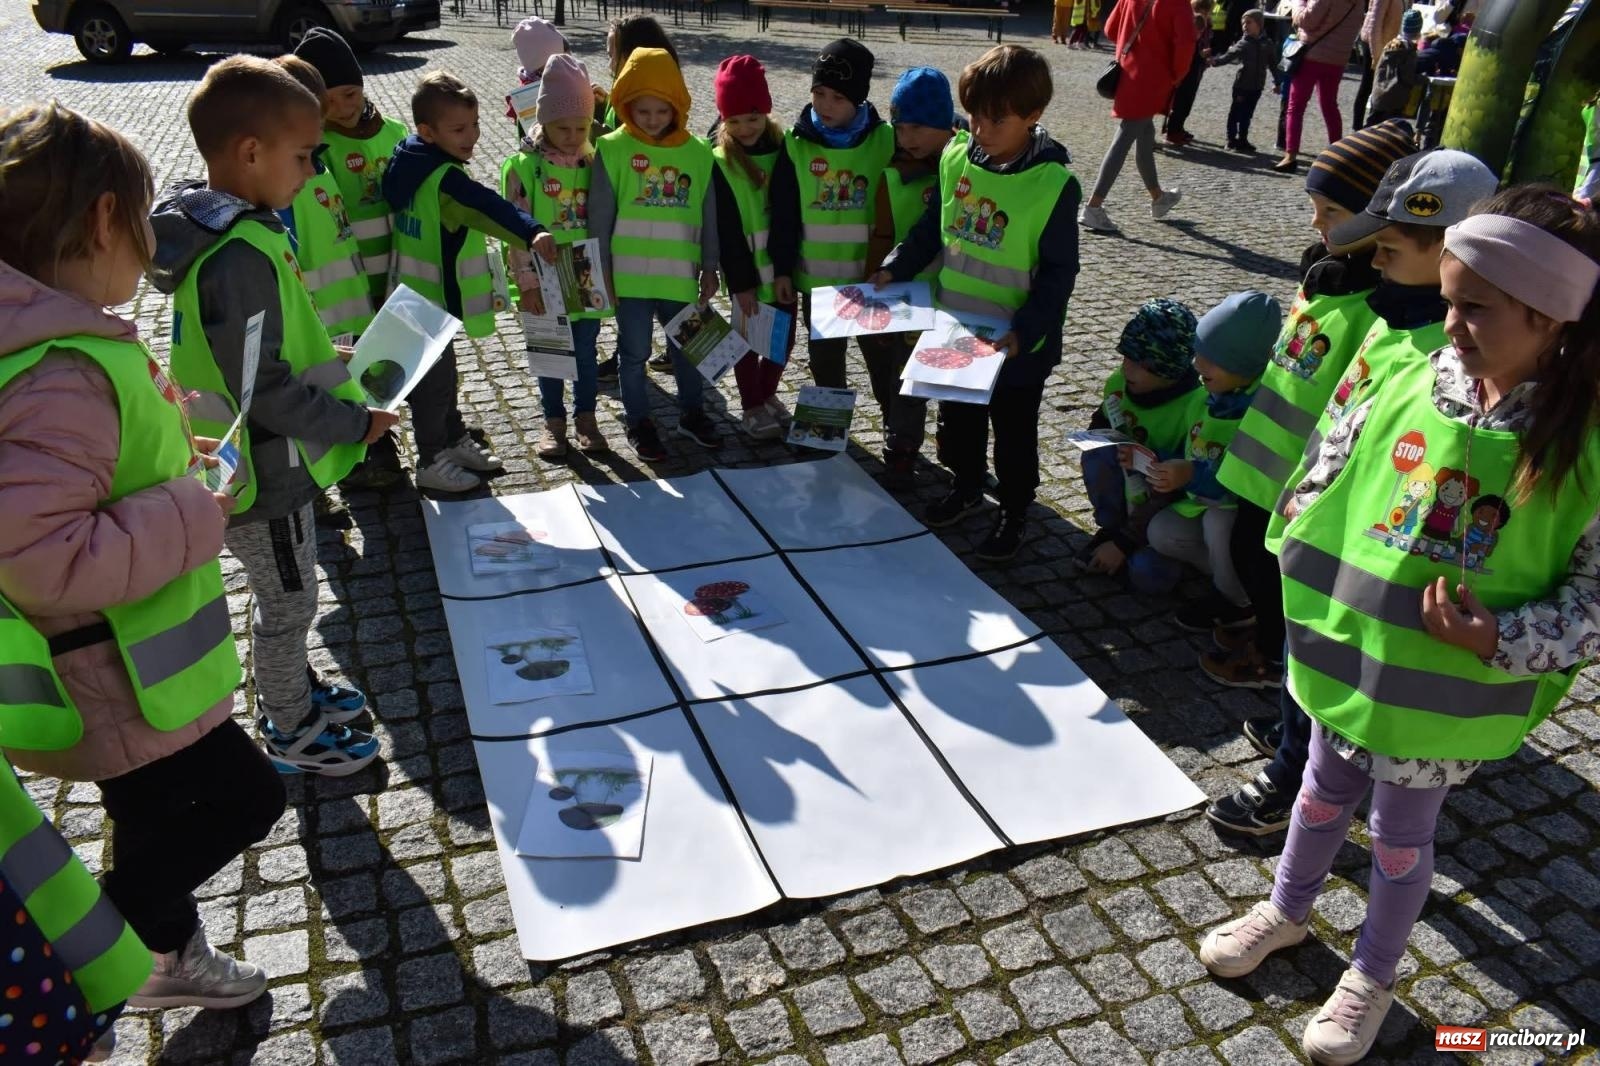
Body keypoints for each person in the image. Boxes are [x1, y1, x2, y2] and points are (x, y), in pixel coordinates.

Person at [1199, 186, 1600, 1066]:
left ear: (1551, 318)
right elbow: (1330, 461)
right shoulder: (1413, 368)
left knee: (1398, 838)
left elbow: (1593, 601)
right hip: (1347, 663)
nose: (1450, 323)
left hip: (1440, 697)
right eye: (1449, 299)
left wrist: (1498, 638)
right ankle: (1289, 911)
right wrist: (1296, 541)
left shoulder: (1586, 442)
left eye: (1475, 308)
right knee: (1315, 793)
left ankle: (1372, 977)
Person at [0, 100, 285, 1010]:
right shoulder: (62, 370)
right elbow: (39, 555)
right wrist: (191, 508)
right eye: (144, 219)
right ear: (101, 222)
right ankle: (104, 953)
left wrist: (166, 449)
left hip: (127, 670)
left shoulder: (59, 344)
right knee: (249, 801)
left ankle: (165, 956)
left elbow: (83, 479)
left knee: (148, 812)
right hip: (121, 675)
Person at [1210, 146, 1498, 835]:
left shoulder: (1449, 351)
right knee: (1304, 660)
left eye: (1390, 247)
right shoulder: (1391, 317)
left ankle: (1293, 772)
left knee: (1328, 664)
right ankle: (1299, 742)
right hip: (1316, 543)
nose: (1372, 258)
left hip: (1366, 562)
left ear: (1453, 250)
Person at [151, 55, 396, 776]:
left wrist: (336, 351)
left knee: (286, 595)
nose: (312, 173)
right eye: (302, 156)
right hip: (264, 471)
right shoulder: (239, 254)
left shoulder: (234, 233)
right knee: (288, 603)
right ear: (250, 152)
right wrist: (359, 425)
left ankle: (293, 691)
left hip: (253, 458)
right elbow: (268, 390)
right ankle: (291, 730)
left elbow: (271, 349)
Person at [1202, 123, 1413, 801]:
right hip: (1264, 469)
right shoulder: (1322, 273)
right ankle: (1286, 699)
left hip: (1307, 490)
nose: (1318, 223)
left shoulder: (1378, 300)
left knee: (1299, 618)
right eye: (1315, 209)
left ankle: (1297, 740)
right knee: (1258, 571)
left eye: (1334, 213)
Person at [875, 45, 1081, 561]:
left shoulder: (1055, 184)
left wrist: (1027, 329)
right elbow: (933, 231)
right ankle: (966, 486)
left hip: (1017, 343)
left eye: (998, 119)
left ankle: (1014, 508)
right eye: (974, 115)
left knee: (1013, 433)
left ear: (1033, 116)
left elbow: (1059, 273)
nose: (982, 129)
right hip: (956, 329)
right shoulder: (954, 158)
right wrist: (896, 265)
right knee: (960, 424)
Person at [383, 71, 555, 492]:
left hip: (412, 296)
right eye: (459, 129)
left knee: (443, 378)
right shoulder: (447, 179)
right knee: (432, 386)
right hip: (432, 300)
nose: (472, 136)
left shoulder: (407, 155)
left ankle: (452, 437)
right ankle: (430, 458)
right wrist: (532, 231)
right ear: (428, 131)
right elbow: (488, 206)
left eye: (475, 124)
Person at [589, 46, 721, 462]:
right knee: (634, 355)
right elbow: (598, 222)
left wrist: (711, 266)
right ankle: (638, 420)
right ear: (626, 105)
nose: (651, 119)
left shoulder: (698, 153)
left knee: (689, 350)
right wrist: (602, 275)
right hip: (628, 279)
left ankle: (692, 413)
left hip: (679, 276)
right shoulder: (611, 149)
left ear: (676, 106)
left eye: (661, 111)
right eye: (642, 111)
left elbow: (709, 215)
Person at [292, 26, 408, 487]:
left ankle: (376, 442)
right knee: (340, 377)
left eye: (351, 94)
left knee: (370, 369)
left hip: (371, 284)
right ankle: (360, 457)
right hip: (329, 300)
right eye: (330, 102)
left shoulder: (387, 133)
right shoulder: (314, 159)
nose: (344, 109)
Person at [1147, 292, 1284, 625]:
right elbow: (1189, 450)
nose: (1197, 364)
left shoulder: (1261, 407)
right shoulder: (1206, 395)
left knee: (1218, 521)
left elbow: (1239, 476)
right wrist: (1155, 462)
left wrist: (1189, 475)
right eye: (1197, 352)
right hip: (1201, 501)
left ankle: (1239, 602)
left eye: (1212, 358)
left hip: (1238, 514)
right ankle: (1230, 576)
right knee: (1162, 532)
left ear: (1244, 364)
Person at [503, 54, 613, 460]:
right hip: (544, 274)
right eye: (561, 127)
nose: (571, 135)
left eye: (580, 127)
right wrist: (526, 284)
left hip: (583, 271)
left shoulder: (595, 162)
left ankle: (587, 418)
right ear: (543, 120)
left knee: (585, 352)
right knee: (550, 354)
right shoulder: (523, 168)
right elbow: (514, 232)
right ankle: (554, 424)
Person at [770, 38, 896, 390]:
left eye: (838, 98)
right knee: (826, 364)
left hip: (870, 279)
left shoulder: (884, 140)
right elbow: (783, 214)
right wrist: (782, 269)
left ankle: (894, 431)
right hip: (819, 284)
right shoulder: (797, 143)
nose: (826, 104)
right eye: (819, 93)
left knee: (881, 362)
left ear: (857, 100)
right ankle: (827, 438)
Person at [863, 67, 960, 480]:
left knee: (952, 379)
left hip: (957, 297)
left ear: (943, 123)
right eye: (900, 129)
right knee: (906, 378)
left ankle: (954, 445)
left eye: (917, 128)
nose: (907, 139)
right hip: (908, 297)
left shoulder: (966, 164)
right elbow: (883, 233)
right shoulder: (894, 170)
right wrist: (880, 279)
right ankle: (901, 445)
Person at [1077, 298, 1203, 591]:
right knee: (1097, 453)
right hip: (1130, 487)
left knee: (1149, 577)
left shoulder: (1193, 408)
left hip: (1168, 506)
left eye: (1142, 365)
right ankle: (1110, 528)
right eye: (1126, 358)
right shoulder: (1119, 382)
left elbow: (1177, 490)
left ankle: (1153, 549)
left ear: (1169, 370)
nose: (1129, 370)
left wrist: (1126, 543)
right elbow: (1101, 420)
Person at [709, 55, 795, 443]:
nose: (745, 128)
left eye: (753, 117)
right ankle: (751, 406)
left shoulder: (786, 150)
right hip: (745, 272)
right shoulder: (721, 161)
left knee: (783, 339)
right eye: (735, 120)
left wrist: (785, 270)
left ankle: (765, 392)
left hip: (781, 270)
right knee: (747, 342)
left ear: (766, 113)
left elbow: (791, 215)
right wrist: (740, 283)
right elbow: (725, 229)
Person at [595, 14, 680, 381]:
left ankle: (686, 351)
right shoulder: (634, 85)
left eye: (611, 47)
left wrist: (594, 126)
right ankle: (668, 351)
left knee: (648, 294)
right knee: (652, 295)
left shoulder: (640, 89)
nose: (607, 54)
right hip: (641, 207)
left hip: (637, 206)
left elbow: (627, 143)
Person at [273, 57, 374, 342]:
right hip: (323, 344)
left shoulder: (320, 167)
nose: (320, 129)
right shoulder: (281, 193)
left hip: (355, 331)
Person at [1079, 0, 1194, 234]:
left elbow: (1111, 29)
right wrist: (1175, 76)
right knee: (1124, 138)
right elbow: (1185, 45)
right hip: (1154, 79)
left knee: (1145, 134)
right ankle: (1093, 207)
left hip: (1128, 73)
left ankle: (1158, 197)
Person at [1275, 0, 1364, 173]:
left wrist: (1298, 4)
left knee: (1296, 106)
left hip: (1312, 56)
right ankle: (1337, 154)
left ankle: (1290, 155)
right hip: (1338, 58)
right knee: (1330, 105)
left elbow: (1306, 19)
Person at [1210, 8, 1279, 152]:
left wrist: (1277, 82)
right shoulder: (1243, 43)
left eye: (1248, 22)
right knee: (1235, 113)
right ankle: (1231, 139)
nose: (1245, 26)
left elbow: (1273, 64)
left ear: (1259, 24)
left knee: (1247, 115)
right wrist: (1214, 61)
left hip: (1257, 86)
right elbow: (1227, 57)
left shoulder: (1268, 43)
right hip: (1242, 85)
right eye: (1243, 23)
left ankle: (1243, 139)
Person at [1162, 0, 1214, 146]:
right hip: (1188, 66)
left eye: (1206, 11)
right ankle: (1172, 131)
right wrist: (1200, 54)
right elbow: (1187, 44)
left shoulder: (1207, 24)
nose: (1203, 14)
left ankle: (1179, 128)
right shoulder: (1192, 20)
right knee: (1181, 100)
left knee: (1188, 100)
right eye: (1201, 10)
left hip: (1197, 66)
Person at [1365, 8, 1424, 126]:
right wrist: (1422, 79)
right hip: (1394, 99)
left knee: (1371, 128)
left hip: (1378, 96)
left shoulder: (1390, 45)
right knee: (1388, 132)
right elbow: (1407, 77)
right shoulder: (1408, 51)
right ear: (1418, 30)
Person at [1354, 0, 1403, 129]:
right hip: (1375, 45)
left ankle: (1371, 124)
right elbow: (1374, 26)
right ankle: (1357, 126)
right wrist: (1375, 56)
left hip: (1384, 45)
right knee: (1368, 86)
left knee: (1376, 87)